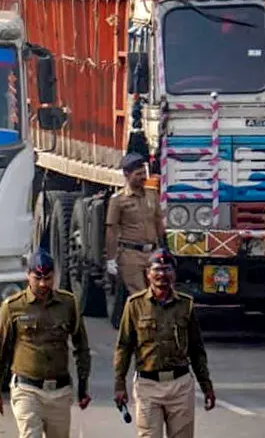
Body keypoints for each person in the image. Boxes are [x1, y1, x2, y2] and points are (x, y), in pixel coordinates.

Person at [0, 249, 91, 438]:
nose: (43, 284)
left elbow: (81, 346)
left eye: (48, 278)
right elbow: (1, 351)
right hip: (27, 389)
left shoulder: (68, 303)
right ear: (29, 276)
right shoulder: (13, 307)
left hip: (59, 391)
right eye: (38, 278)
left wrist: (83, 385)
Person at [114, 248, 216, 438]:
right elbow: (124, 346)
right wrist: (119, 385)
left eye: (167, 269)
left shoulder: (186, 305)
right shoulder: (134, 304)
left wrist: (206, 385)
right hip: (147, 385)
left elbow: (196, 349)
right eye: (157, 269)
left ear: (174, 274)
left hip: (180, 385)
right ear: (148, 274)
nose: (162, 275)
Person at [106, 153, 166, 303]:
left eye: (143, 173)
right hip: (130, 255)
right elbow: (111, 230)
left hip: (152, 254)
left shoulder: (152, 196)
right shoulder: (118, 200)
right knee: (141, 297)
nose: (142, 177)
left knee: (157, 294)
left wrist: (164, 248)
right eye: (138, 174)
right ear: (127, 174)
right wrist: (111, 259)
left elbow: (159, 223)